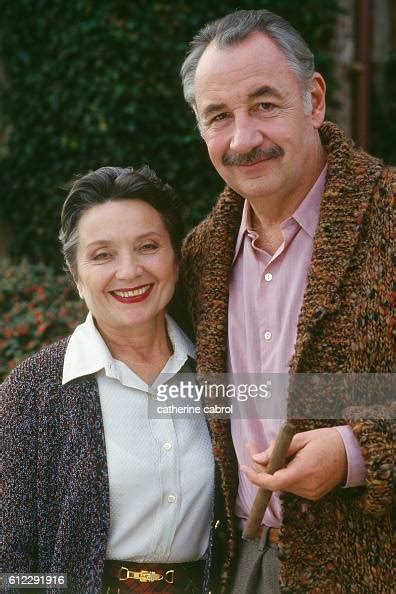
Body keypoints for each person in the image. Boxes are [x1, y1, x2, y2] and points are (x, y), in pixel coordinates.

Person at [180, 9, 394, 594]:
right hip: (242, 567)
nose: (243, 138)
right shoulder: (199, 256)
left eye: (265, 104)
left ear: (315, 100)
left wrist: (356, 453)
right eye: (219, 116)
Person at [1, 166, 216, 594]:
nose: (130, 270)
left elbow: (355, 400)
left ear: (176, 256)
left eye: (148, 246)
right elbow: (8, 565)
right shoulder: (30, 393)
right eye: (102, 255)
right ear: (76, 275)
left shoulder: (216, 370)